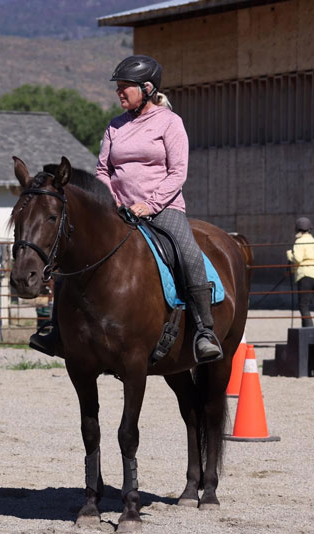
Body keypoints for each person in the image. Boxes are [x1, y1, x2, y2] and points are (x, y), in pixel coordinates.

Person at [30, 55, 222, 363]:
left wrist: (150, 204)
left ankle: (204, 330)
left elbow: (178, 173)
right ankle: (57, 331)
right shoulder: (114, 126)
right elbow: (103, 170)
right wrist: (113, 201)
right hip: (118, 210)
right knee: (73, 255)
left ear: (147, 88)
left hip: (163, 209)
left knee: (188, 254)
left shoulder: (170, 123)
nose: (119, 93)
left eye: (125, 88)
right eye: (118, 88)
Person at [286, 217, 314, 327]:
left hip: (305, 275)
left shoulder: (300, 241)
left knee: (303, 306)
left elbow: (297, 259)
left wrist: (289, 254)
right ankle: (305, 332)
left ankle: (309, 333)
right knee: (307, 305)